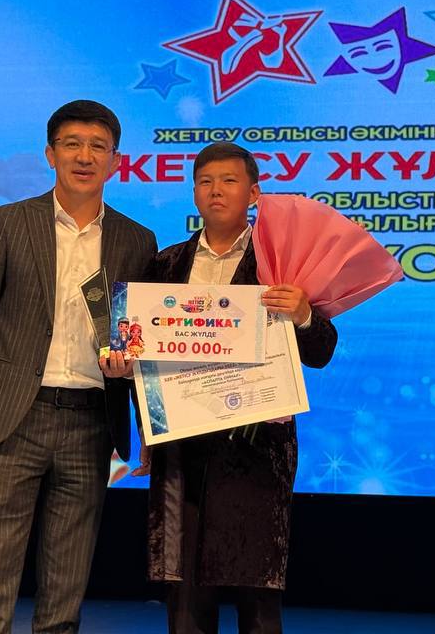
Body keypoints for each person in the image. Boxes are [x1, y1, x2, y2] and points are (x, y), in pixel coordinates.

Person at [0, 100, 156, 634]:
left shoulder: (137, 240)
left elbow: (142, 340)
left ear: (116, 162)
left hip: (91, 422)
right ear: (51, 154)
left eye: (98, 147)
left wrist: (151, 423)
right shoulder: (8, 223)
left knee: (67, 581)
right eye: (72, 144)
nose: (85, 156)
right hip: (14, 416)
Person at [137, 142, 337, 633]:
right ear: (194, 194)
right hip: (182, 447)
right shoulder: (165, 264)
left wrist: (304, 314)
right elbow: (144, 354)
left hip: (255, 450)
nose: (216, 191)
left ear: (253, 193)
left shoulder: (280, 264)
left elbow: (321, 350)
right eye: (205, 182)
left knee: (257, 600)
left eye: (229, 181)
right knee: (185, 600)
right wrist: (146, 424)